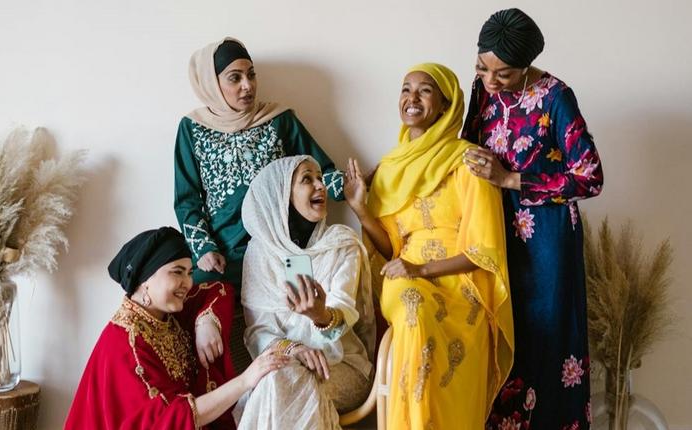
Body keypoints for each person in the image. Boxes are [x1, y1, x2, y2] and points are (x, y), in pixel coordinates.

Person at [345, 63, 514, 429]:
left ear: (445, 104)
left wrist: (421, 268)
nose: (412, 98)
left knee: (440, 323)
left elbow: (483, 251)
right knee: (413, 306)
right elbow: (389, 250)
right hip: (406, 279)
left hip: (462, 287)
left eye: (425, 90)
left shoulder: (469, 161)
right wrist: (360, 207)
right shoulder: (389, 169)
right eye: (406, 89)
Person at [461, 8, 604, 429]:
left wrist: (510, 178)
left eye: (502, 74)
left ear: (525, 67)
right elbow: (466, 144)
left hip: (547, 245)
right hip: (494, 232)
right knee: (500, 337)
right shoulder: (482, 89)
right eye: (481, 68)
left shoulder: (556, 97)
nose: (490, 81)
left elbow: (590, 178)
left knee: (545, 340)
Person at [173, 37, 344, 373]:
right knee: (206, 321)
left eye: (251, 75)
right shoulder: (192, 129)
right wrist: (203, 247)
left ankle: (296, 388)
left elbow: (322, 168)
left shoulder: (280, 119)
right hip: (224, 254)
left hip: (281, 246)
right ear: (213, 82)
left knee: (300, 312)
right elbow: (187, 197)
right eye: (234, 78)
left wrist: (349, 188)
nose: (247, 86)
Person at [64, 227, 288, 429]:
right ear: (145, 280)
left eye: (189, 273)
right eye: (177, 272)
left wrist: (206, 320)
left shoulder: (165, 313)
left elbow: (219, 290)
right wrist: (246, 380)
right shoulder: (126, 343)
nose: (188, 283)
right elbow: (167, 421)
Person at [234, 155, 375, 429]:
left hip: (343, 366)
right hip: (285, 366)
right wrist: (294, 348)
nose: (320, 186)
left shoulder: (341, 244)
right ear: (281, 195)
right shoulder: (260, 253)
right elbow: (258, 331)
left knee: (280, 382)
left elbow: (343, 310)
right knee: (280, 379)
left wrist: (321, 316)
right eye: (307, 179)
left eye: (320, 178)